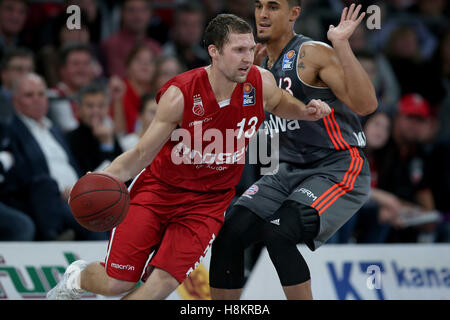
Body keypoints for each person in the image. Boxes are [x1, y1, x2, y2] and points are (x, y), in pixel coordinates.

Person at [46, 13, 331, 300]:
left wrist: (304, 111)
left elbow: (281, 102)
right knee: (116, 284)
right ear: (214, 52)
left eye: (250, 48)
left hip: (207, 204)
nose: (248, 57)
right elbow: (141, 154)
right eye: (238, 50)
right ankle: (76, 278)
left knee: (160, 285)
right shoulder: (180, 94)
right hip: (159, 191)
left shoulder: (260, 82)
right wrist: (102, 178)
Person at [209, 1, 377, 300]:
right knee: (228, 235)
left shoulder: (310, 52)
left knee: (278, 232)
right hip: (287, 169)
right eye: (259, 5)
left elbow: (366, 105)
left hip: (336, 166)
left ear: (294, 14)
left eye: (273, 7)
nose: (262, 14)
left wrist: (340, 45)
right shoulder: (257, 64)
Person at [6, 72, 107, 241]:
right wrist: (58, 191)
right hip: (47, 199)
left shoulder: (55, 130)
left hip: (79, 194)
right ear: (15, 100)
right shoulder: (11, 130)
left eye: (41, 94)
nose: (37, 99)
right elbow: (20, 173)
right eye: (29, 95)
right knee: (93, 221)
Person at [67, 82, 123, 174]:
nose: (95, 111)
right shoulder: (71, 139)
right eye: (90, 106)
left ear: (107, 108)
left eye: (101, 106)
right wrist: (106, 145)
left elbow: (124, 171)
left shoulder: (109, 133)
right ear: (79, 109)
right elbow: (93, 177)